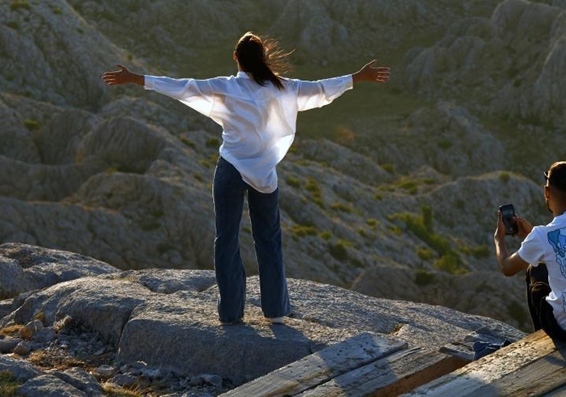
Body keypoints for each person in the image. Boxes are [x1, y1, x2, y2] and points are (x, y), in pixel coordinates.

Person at [101, 32, 390, 325]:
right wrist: (358, 77)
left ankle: (230, 313)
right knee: (269, 240)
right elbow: (321, 90)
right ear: (263, 59)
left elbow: (182, 87)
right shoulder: (283, 88)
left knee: (226, 239)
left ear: (236, 58)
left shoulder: (225, 87)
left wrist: (135, 78)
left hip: (230, 169)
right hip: (265, 174)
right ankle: (276, 311)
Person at [493, 161, 566, 340]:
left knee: (534, 271)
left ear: (546, 192)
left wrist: (499, 239)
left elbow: (507, 268)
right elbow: (560, 249)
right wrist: (531, 235)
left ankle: (543, 338)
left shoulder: (541, 235)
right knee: (542, 266)